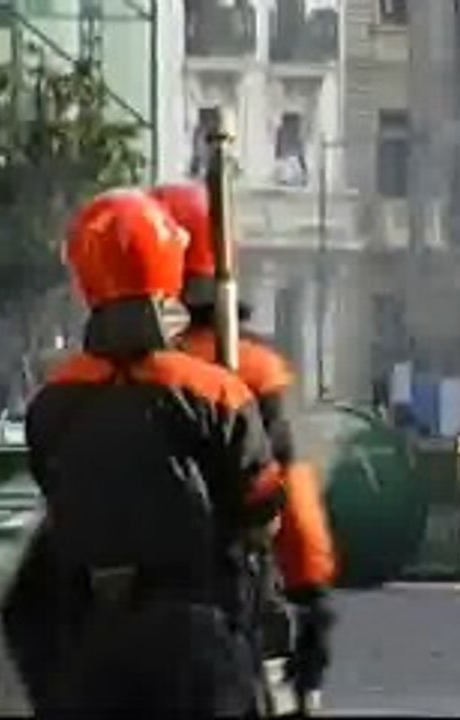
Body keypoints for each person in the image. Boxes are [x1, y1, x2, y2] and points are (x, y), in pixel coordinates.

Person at [0, 188, 285, 716]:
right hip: (198, 642)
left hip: (92, 641)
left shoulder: (52, 402)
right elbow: (263, 510)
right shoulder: (218, 393)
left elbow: (56, 493)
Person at [150, 182, 337, 708]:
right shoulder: (252, 372)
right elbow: (290, 494)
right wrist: (312, 600)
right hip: (221, 611)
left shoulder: (86, 382)